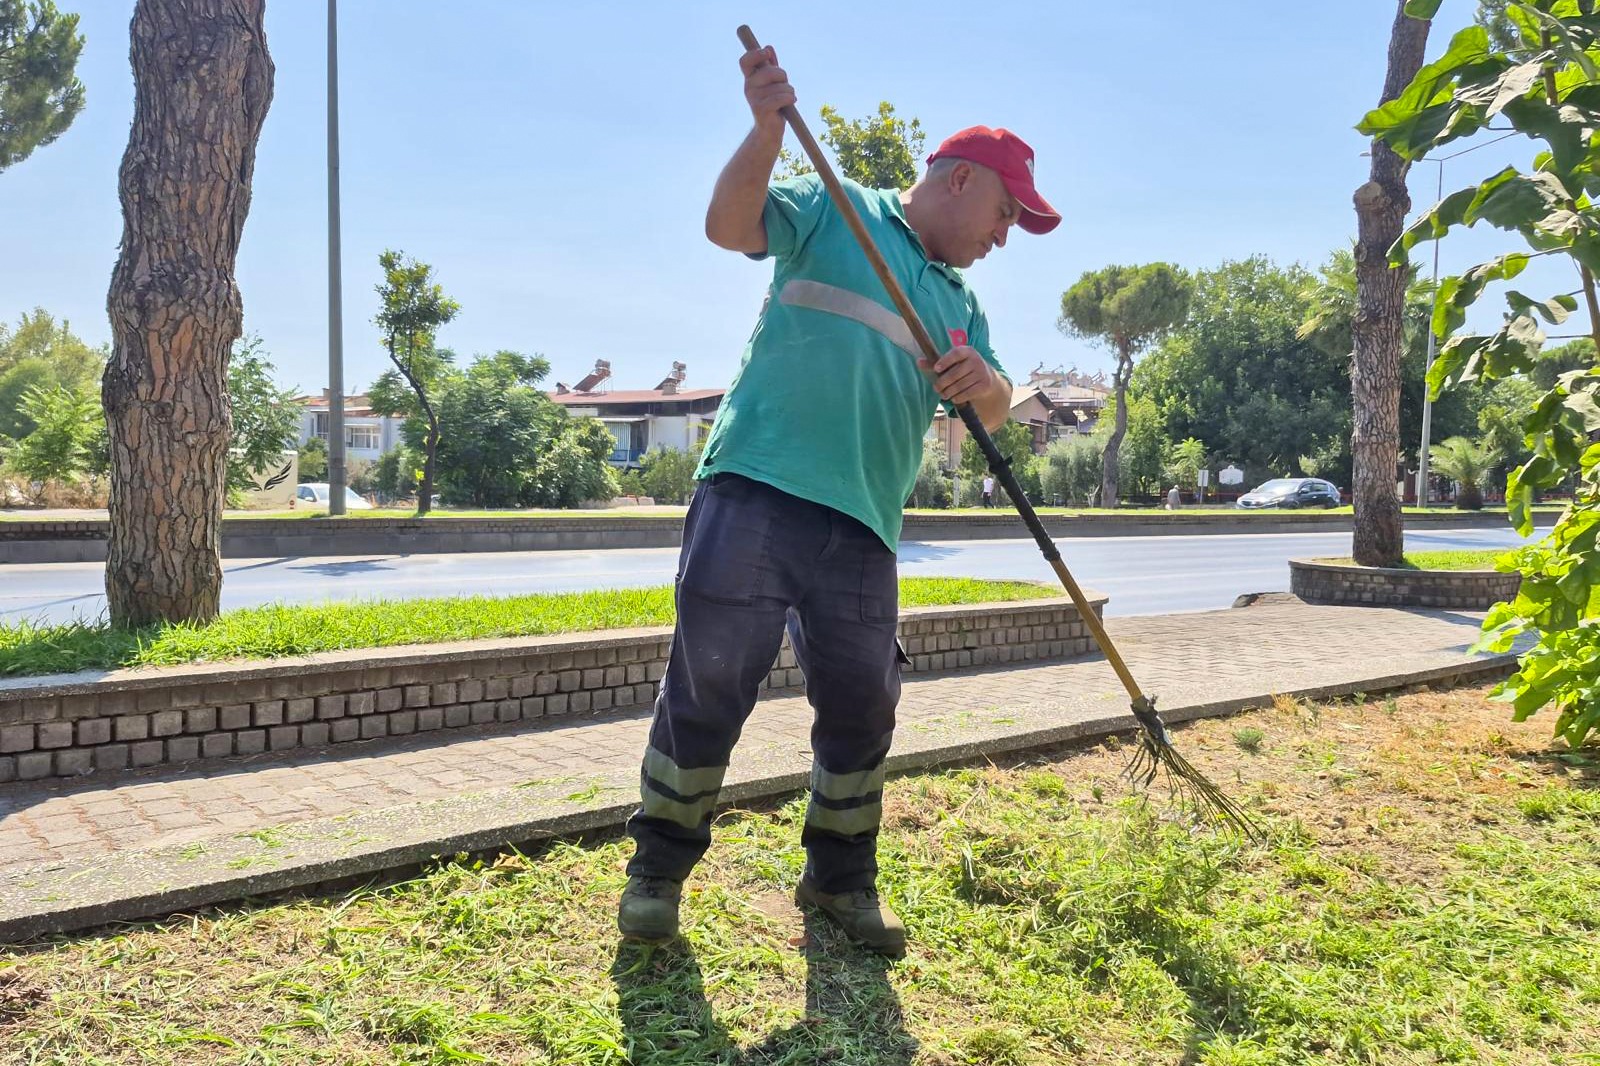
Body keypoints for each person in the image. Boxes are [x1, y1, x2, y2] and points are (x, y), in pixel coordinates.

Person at [616, 39, 1061, 958]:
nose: (1004, 237)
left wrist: (979, 382)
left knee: (864, 704)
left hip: (864, 524)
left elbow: (1003, 406)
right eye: (1007, 213)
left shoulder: (958, 302)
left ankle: (837, 879)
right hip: (756, 489)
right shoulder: (837, 210)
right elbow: (729, 225)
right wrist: (765, 131)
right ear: (962, 180)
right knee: (711, 687)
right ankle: (657, 873)